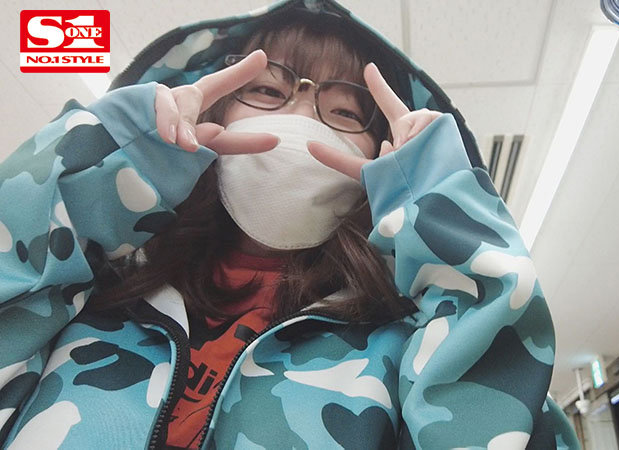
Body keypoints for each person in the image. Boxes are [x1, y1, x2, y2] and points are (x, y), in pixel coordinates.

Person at [0, 0, 579, 448]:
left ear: (379, 157)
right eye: (267, 90)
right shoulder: (88, 298)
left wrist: (446, 216)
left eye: (344, 111)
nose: (302, 118)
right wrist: (110, 162)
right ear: (216, 112)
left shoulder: (405, 347)